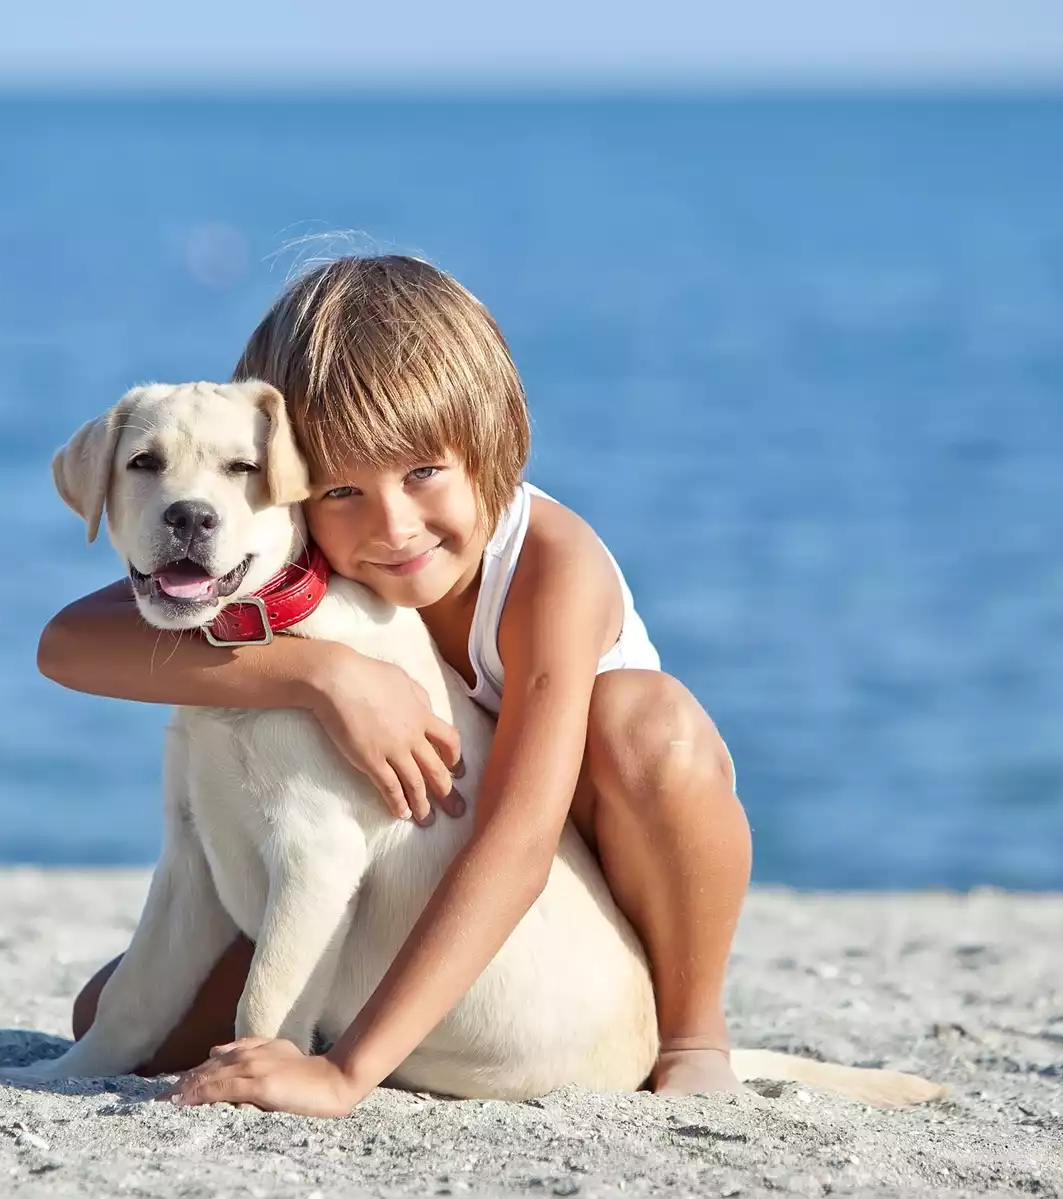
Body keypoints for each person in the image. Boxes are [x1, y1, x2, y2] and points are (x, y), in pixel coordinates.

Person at [37, 254, 752, 1115]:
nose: (393, 524)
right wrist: (322, 671)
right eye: (341, 486)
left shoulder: (550, 570)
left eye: (423, 472)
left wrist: (345, 1075)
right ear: (295, 483)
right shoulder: (304, 560)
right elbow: (68, 644)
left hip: (571, 866)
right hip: (399, 876)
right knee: (111, 1013)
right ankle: (383, 1026)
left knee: (647, 721)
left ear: (494, 442)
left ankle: (693, 1034)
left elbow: (519, 844)